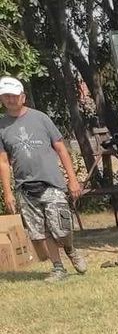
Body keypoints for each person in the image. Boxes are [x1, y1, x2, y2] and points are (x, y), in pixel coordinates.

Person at [0, 76, 87, 282]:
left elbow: (61, 148)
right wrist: (8, 193)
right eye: (6, 96)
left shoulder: (41, 118)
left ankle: (70, 248)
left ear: (23, 96)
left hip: (51, 182)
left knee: (62, 226)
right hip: (25, 187)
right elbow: (3, 162)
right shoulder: (1, 126)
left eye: (13, 96)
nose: (10, 100)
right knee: (41, 232)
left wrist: (72, 179)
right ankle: (58, 268)